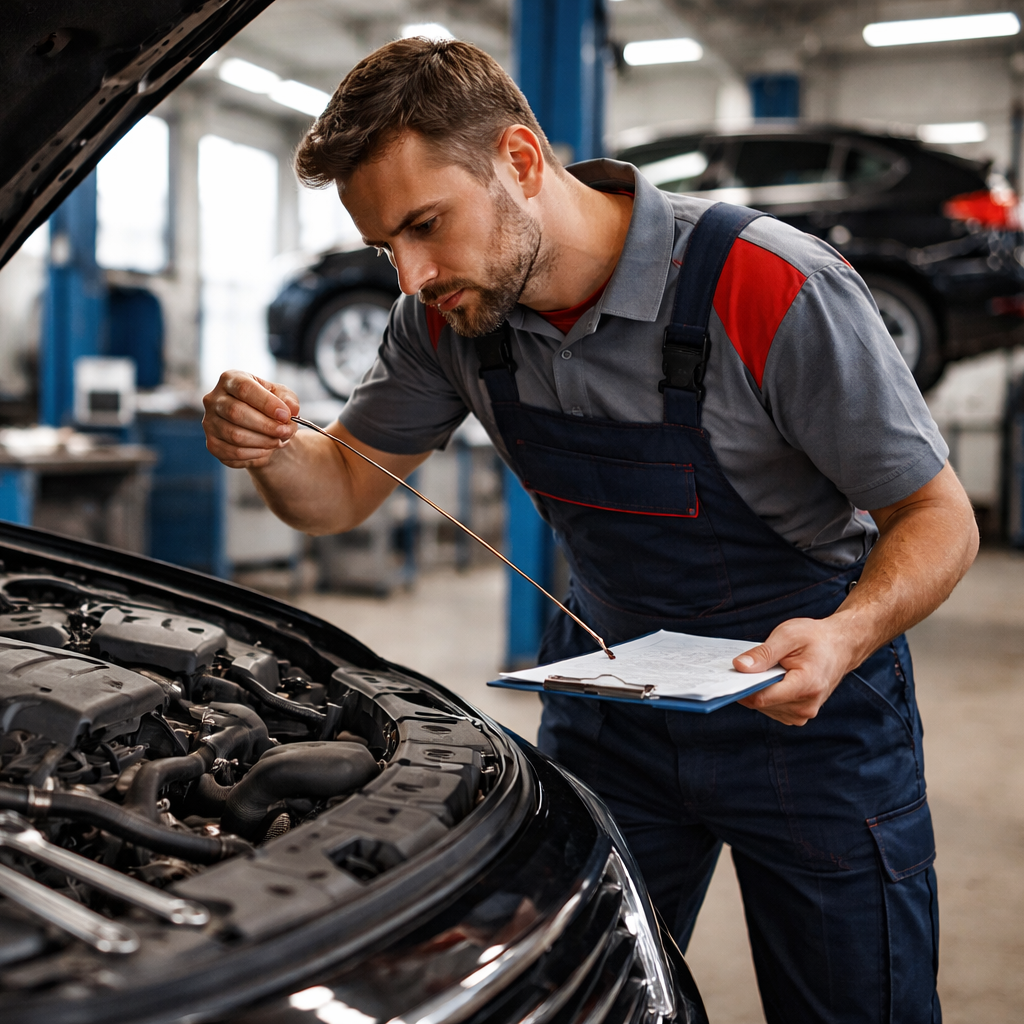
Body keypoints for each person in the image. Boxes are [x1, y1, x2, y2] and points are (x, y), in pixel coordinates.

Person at [201, 37, 975, 1024]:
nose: (411, 275)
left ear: (520, 160)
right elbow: (339, 490)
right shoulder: (449, 320)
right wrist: (267, 446)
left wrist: (848, 634)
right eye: (384, 247)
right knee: (575, 1002)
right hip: (613, 716)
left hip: (811, 716)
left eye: (426, 224)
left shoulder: (772, 288)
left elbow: (937, 515)